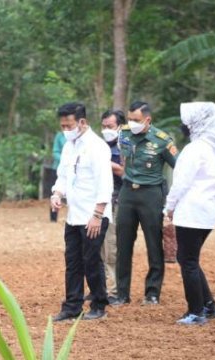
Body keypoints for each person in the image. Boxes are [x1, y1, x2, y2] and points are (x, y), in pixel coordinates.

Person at [164, 102, 215, 325]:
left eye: (186, 122)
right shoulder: (213, 148)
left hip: (191, 212)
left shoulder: (194, 150)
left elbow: (180, 183)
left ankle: (196, 312)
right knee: (189, 258)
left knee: (188, 261)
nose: (184, 125)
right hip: (207, 213)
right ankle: (209, 305)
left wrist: (168, 207)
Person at [50, 103, 113, 322]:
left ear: (82, 122)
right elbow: (63, 175)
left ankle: (99, 303)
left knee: (91, 260)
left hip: (93, 215)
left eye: (69, 125)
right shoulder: (70, 146)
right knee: (73, 261)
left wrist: (97, 215)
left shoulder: (98, 147)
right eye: (63, 126)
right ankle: (72, 306)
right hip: (74, 215)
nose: (65, 130)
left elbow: (105, 183)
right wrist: (57, 193)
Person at [114, 101, 177, 306]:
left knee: (153, 244)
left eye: (136, 120)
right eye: (130, 119)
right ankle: (122, 293)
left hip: (151, 195)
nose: (132, 123)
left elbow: (181, 166)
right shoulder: (123, 133)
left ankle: (152, 293)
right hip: (127, 193)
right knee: (123, 244)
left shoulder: (162, 140)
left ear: (147, 120)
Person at [99, 110, 125, 302]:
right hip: (98, 201)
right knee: (96, 246)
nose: (106, 130)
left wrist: (106, 163)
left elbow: (126, 172)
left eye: (110, 126)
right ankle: (99, 287)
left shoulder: (125, 147)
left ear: (120, 126)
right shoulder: (99, 146)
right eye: (104, 126)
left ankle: (114, 290)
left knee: (111, 247)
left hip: (116, 200)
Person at [49, 132, 67, 222]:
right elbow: (55, 152)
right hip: (57, 168)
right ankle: (53, 217)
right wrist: (65, 159)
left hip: (73, 170)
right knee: (55, 193)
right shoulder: (59, 136)